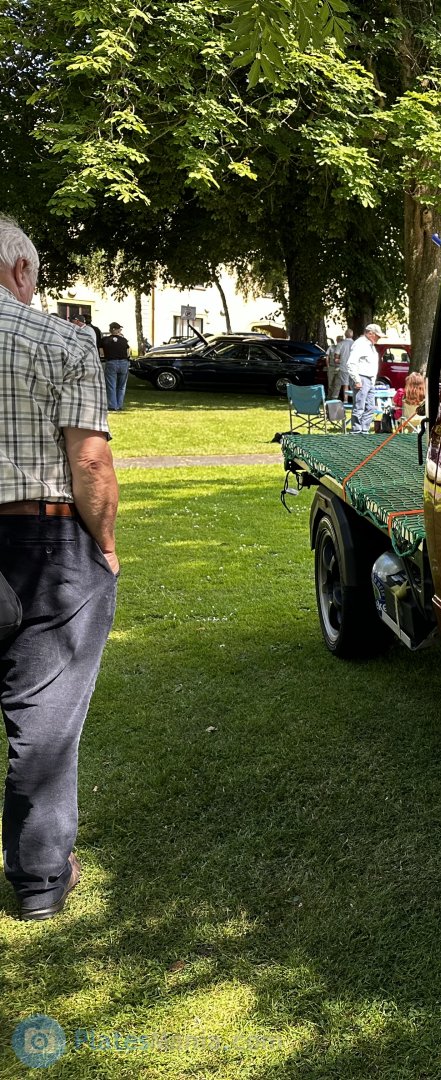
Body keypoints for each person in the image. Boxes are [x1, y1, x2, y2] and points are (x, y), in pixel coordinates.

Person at [0, 215, 119, 922]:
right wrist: (104, 546)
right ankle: (41, 882)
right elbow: (90, 462)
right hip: (43, 542)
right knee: (44, 720)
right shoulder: (62, 338)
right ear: (19, 272)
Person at [348, 323, 381, 433]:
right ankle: (356, 432)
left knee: (370, 407)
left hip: (369, 379)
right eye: (377, 336)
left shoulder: (370, 345)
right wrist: (357, 380)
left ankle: (364, 430)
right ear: (370, 333)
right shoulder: (360, 344)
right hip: (361, 377)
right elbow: (351, 363)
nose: (379, 338)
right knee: (359, 407)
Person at [99, 321, 130, 411]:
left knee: (111, 385)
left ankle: (112, 405)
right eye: (119, 328)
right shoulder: (124, 340)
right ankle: (119, 405)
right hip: (124, 362)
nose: (120, 330)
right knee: (121, 386)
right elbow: (128, 352)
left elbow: (101, 353)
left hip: (111, 362)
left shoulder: (104, 340)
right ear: (114, 329)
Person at [324, 335, 345, 400]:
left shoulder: (343, 349)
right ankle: (329, 396)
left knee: (338, 384)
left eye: (342, 340)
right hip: (331, 367)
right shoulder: (331, 347)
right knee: (330, 383)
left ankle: (335, 397)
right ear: (337, 340)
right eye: (339, 340)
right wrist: (327, 365)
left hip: (339, 367)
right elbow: (327, 356)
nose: (340, 341)